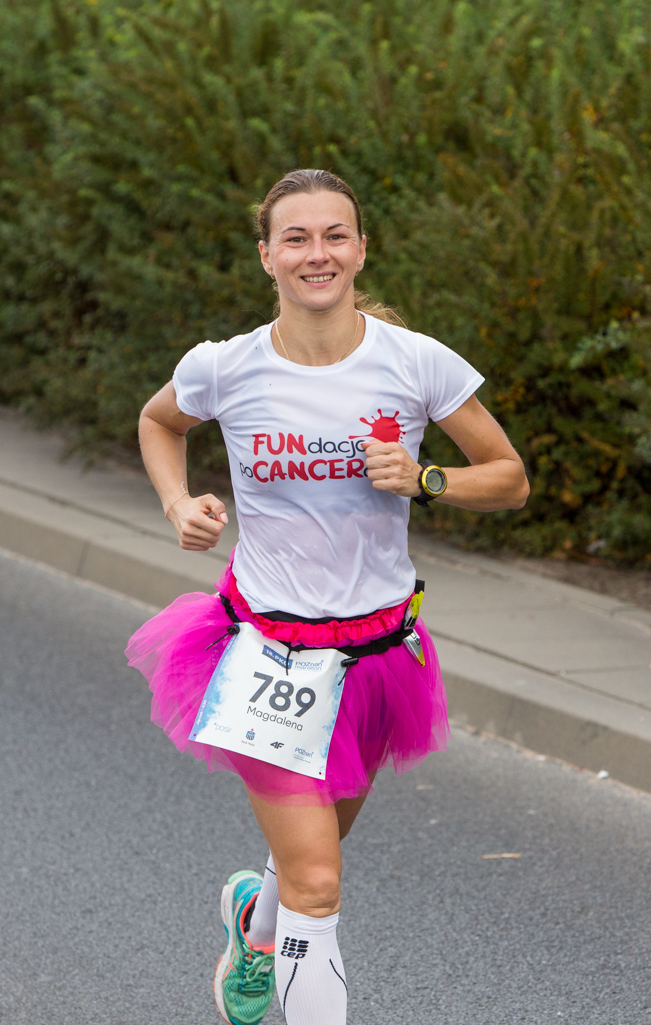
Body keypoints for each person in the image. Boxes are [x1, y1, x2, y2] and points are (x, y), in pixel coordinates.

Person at [129, 169, 529, 1025]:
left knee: (313, 853)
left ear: (360, 248)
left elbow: (509, 478)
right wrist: (178, 502)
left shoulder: (415, 362)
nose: (320, 254)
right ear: (267, 255)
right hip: (265, 650)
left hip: (379, 654)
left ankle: (251, 920)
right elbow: (159, 421)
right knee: (316, 878)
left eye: (335, 235)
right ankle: (277, 928)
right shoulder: (225, 367)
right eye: (299, 239)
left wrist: (428, 478)